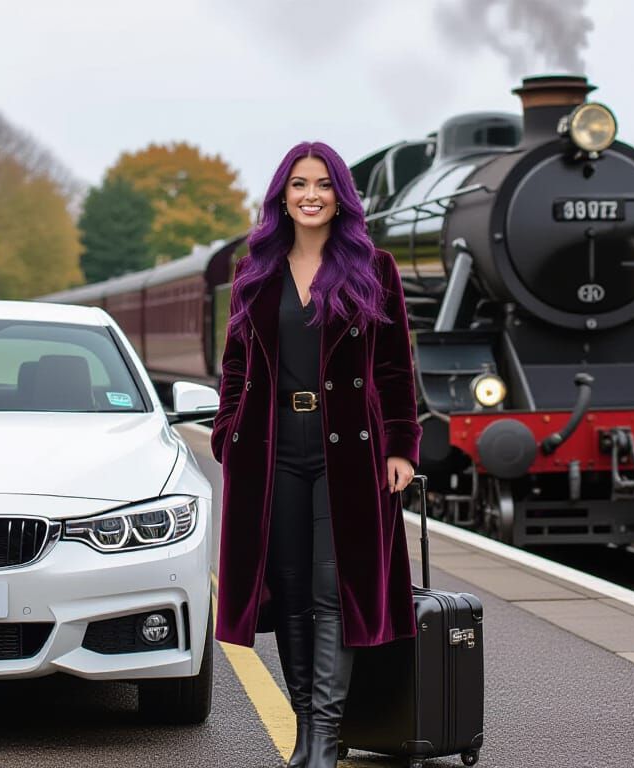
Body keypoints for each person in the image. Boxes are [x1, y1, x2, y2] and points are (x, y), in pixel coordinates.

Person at [210, 142, 422, 768]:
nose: (310, 195)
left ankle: (325, 741)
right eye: (298, 184)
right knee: (292, 590)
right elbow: (234, 366)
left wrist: (402, 445)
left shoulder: (372, 267)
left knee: (335, 592)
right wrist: (227, 434)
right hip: (270, 452)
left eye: (323, 185)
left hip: (349, 455)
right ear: (282, 196)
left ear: (340, 197)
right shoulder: (255, 271)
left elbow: (392, 367)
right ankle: (305, 734)